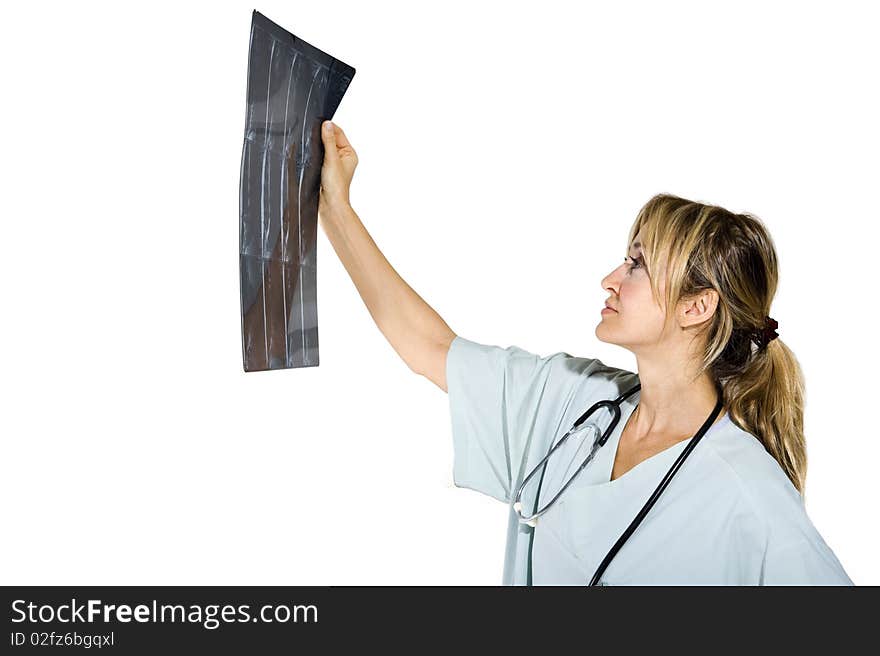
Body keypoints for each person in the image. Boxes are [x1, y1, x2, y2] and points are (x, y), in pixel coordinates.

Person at [317, 119, 853, 586]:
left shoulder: (746, 496)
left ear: (697, 306)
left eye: (637, 264)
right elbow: (428, 346)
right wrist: (336, 208)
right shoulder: (575, 402)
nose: (611, 279)